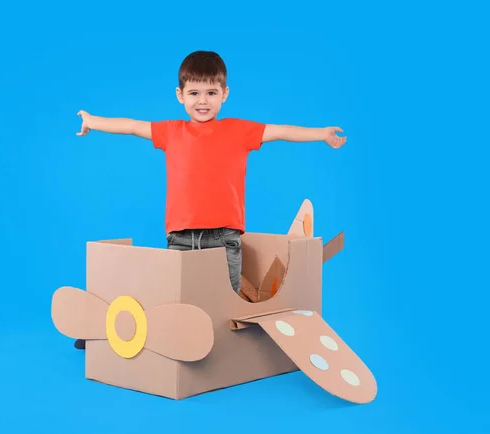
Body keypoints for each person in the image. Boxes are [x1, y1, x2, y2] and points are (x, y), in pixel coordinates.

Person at [72, 50, 346, 350]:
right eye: (194, 93)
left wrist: (321, 133)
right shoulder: (171, 131)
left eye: (211, 92)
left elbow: (281, 132)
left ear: (224, 94)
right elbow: (131, 125)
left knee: (224, 305)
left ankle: (237, 346)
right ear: (180, 95)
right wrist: (93, 121)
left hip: (224, 239)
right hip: (180, 237)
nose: (202, 101)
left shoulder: (239, 130)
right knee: (170, 298)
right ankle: (108, 332)